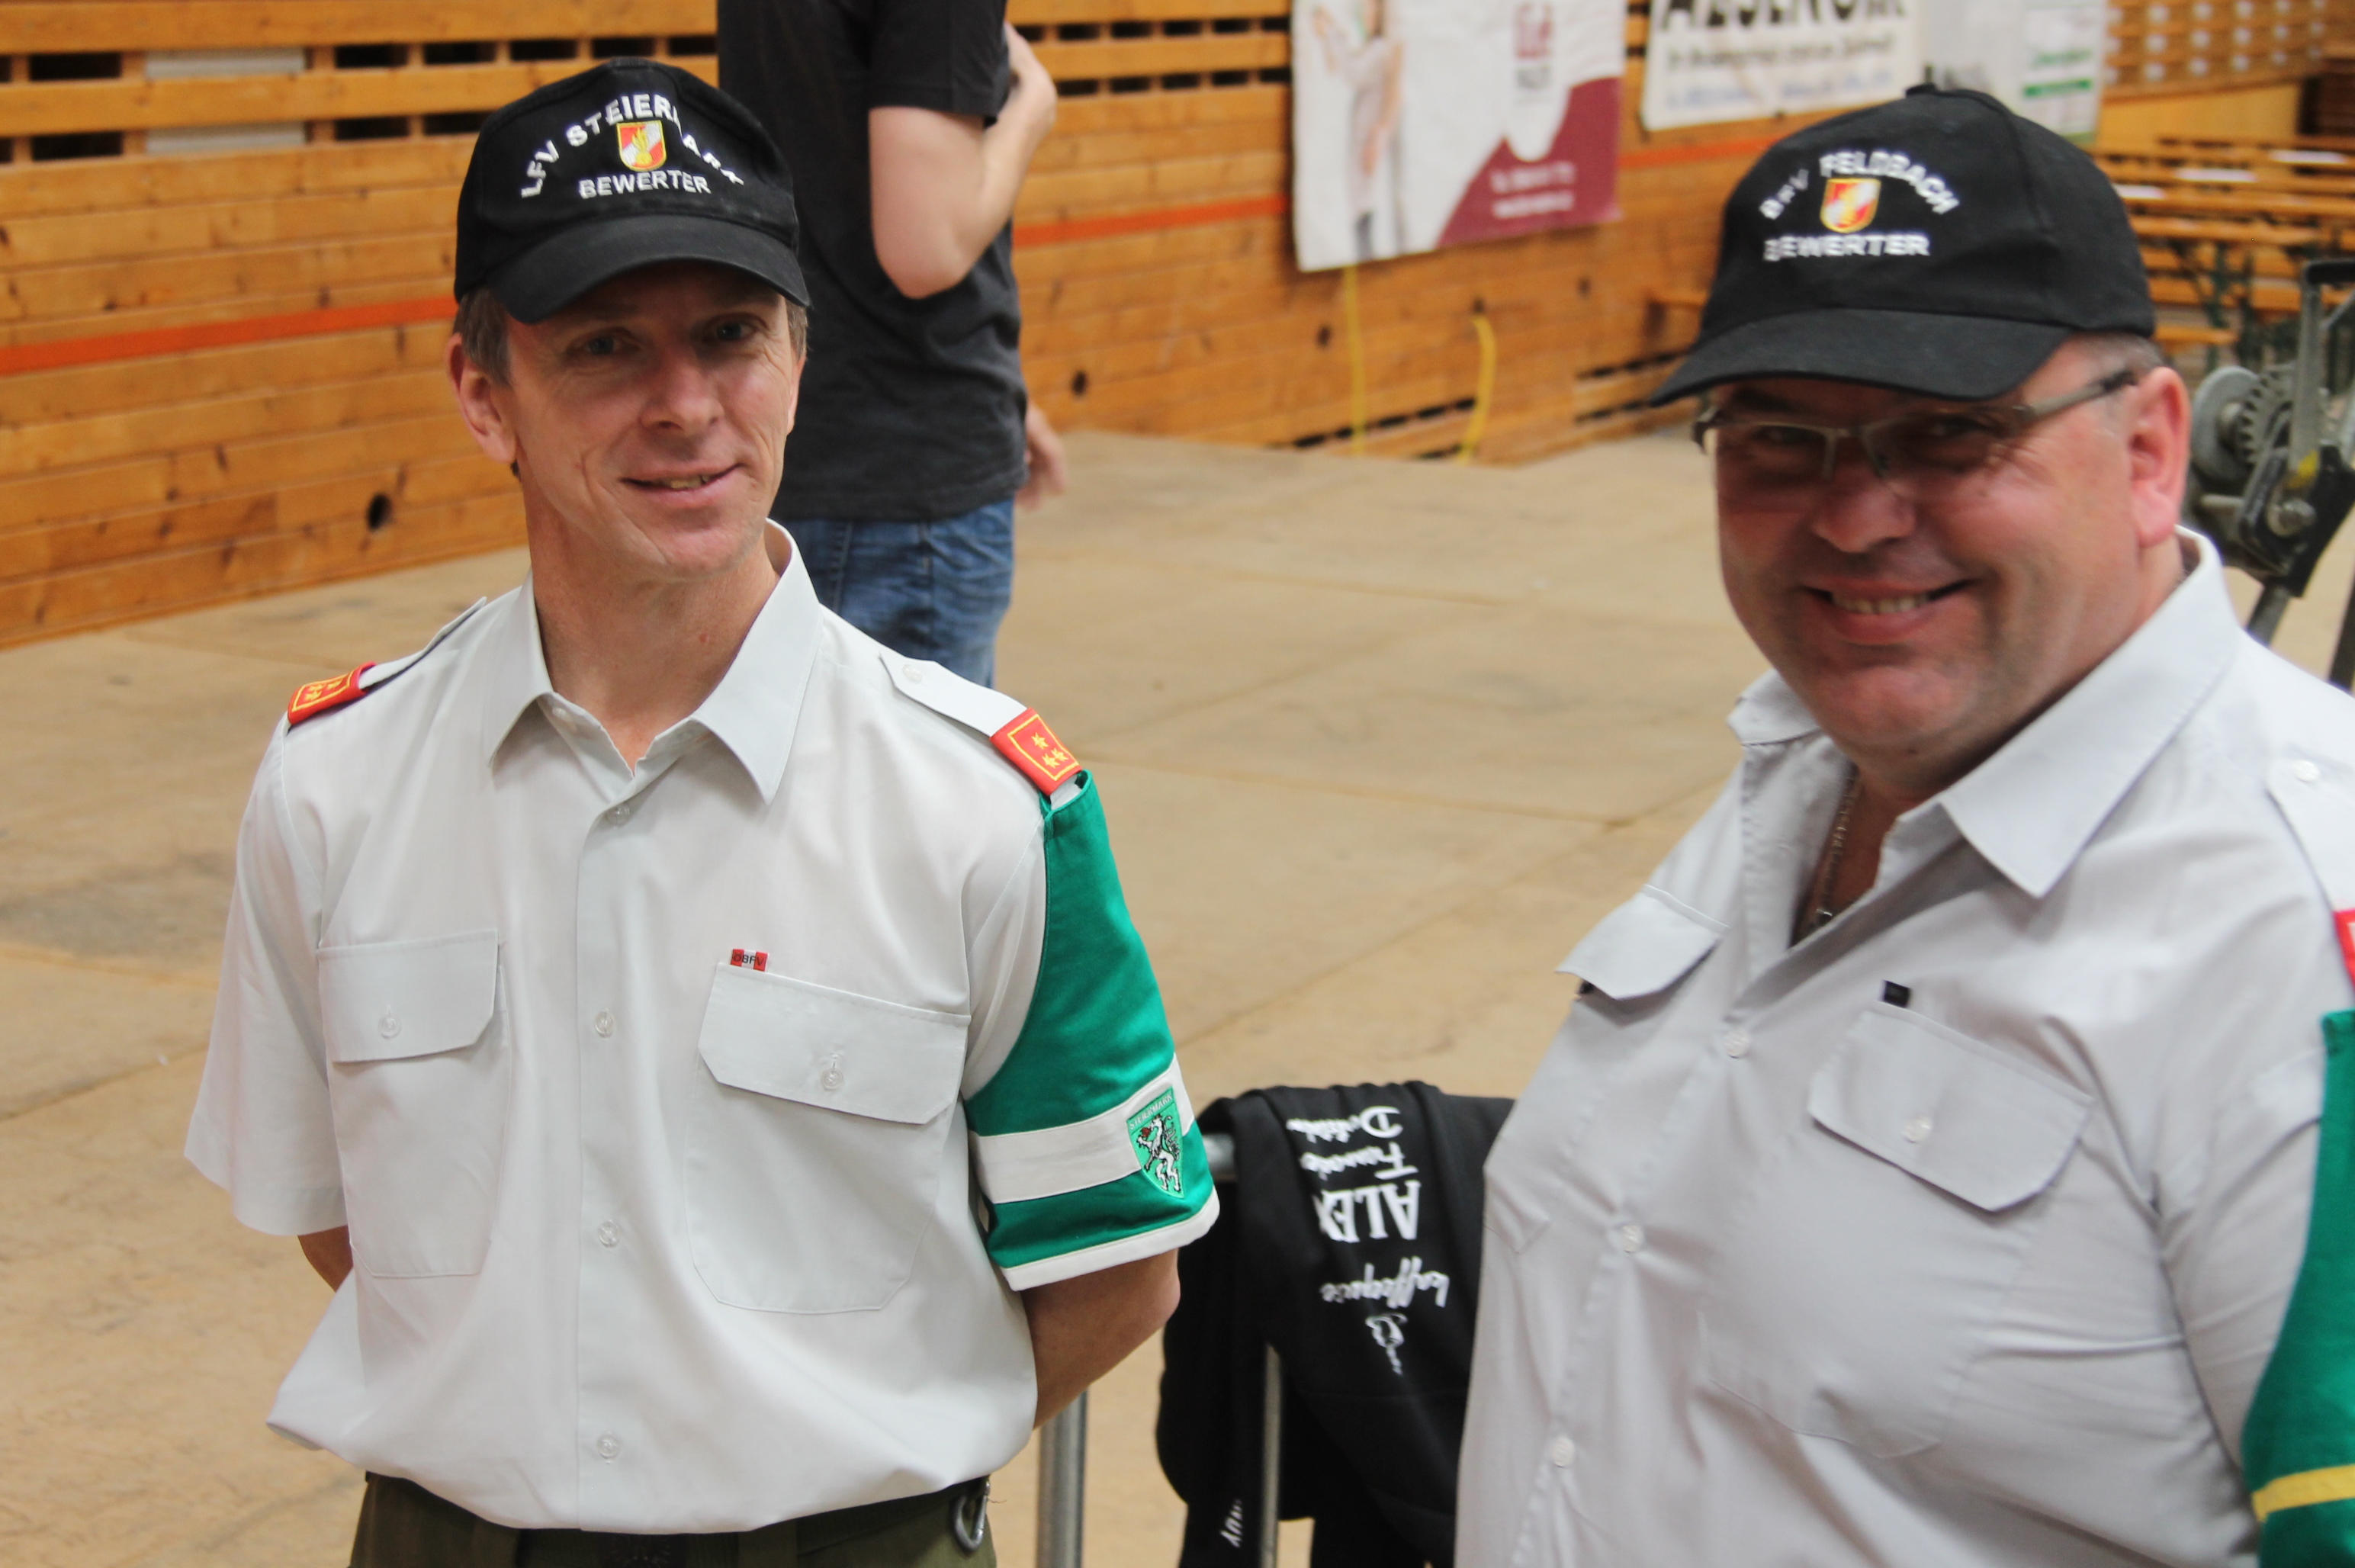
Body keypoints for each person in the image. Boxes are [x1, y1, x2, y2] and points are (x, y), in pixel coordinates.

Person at [185, 59, 1216, 1567]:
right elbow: (341, 1216)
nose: (685, 408)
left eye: (730, 335)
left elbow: (1115, 1273)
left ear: (798, 356)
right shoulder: (337, 782)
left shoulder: (983, 805)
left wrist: (859, 1459)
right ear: (482, 391)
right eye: (605, 346)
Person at [1457, 85, 2355, 1566]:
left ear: (2148, 451)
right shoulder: (1807, 768)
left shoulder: (2293, 935)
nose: (1854, 516)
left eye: (1949, 435)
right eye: (1777, 435)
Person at [716, 0, 1066, 688]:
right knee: (898, 758)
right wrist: (1033, 108)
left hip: (799, 425)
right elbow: (926, 249)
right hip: (902, 459)